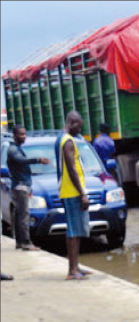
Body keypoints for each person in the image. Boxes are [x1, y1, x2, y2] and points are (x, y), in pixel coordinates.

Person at [59, 111, 92, 280]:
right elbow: (71, 169)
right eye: (79, 125)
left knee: (76, 230)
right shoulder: (68, 142)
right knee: (73, 231)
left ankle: (76, 266)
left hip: (71, 191)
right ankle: (72, 270)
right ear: (72, 123)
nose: (81, 128)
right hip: (72, 192)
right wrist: (82, 194)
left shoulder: (63, 138)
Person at [6, 125, 51, 251]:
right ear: (14, 135)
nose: (24, 136)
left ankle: (20, 242)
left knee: (19, 214)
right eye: (21, 134)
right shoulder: (13, 150)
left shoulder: (17, 148)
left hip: (22, 185)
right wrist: (38, 160)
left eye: (25, 134)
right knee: (24, 215)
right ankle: (26, 243)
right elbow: (21, 161)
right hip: (20, 186)